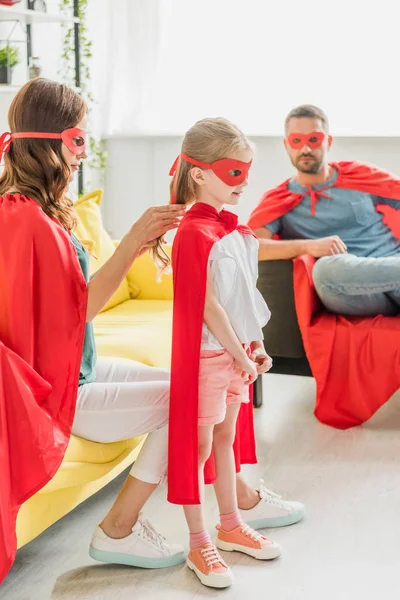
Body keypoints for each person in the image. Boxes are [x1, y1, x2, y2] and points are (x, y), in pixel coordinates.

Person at [0, 79, 304, 583]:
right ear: (51, 140)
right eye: (78, 140)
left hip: (74, 365)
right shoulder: (27, 218)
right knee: (184, 403)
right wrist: (135, 240)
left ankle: (235, 505)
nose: (83, 153)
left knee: (182, 387)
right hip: (56, 387)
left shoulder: (34, 209)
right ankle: (123, 526)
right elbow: (82, 310)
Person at [165, 118, 282, 589]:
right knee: (196, 447)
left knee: (224, 440)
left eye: (246, 170)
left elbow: (240, 298)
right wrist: (239, 352)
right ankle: (198, 542)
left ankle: (229, 525)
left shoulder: (230, 230)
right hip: (208, 357)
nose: (245, 181)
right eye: (234, 171)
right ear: (199, 173)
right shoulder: (194, 232)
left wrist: (256, 346)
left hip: (233, 354)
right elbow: (207, 306)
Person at [248, 104, 400, 317]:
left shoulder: (359, 175)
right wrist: (310, 246)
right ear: (286, 145)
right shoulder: (280, 199)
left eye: (313, 139)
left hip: (392, 262)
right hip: (356, 292)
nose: (305, 149)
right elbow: (251, 247)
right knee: (325, 272)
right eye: (296, 141)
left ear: (328, 141)